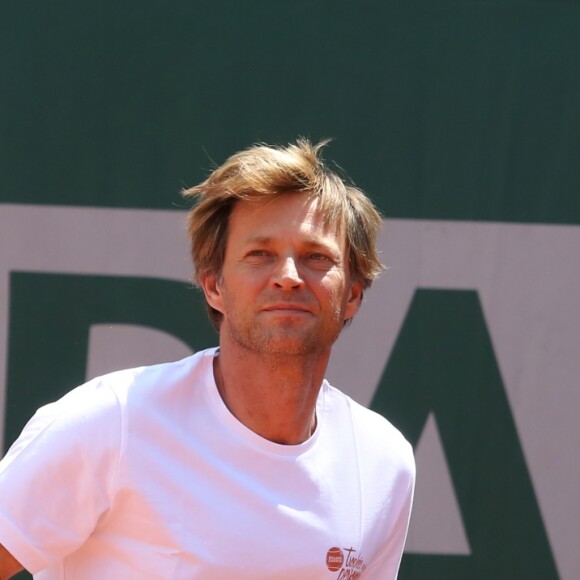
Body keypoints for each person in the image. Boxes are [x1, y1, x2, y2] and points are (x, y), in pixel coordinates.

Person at [0, 139, 415, 579]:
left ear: (352, 294)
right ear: (214, 286)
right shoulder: (110, 420)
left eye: (316, 257)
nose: (290, 277)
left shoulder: (385, 462)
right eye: (261, 255)